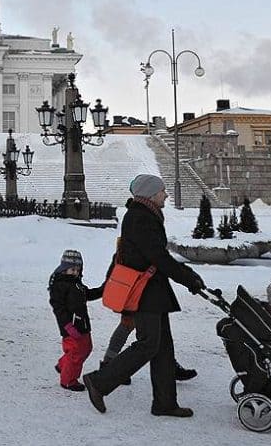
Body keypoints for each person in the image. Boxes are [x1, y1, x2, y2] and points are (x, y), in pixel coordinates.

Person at [82, 174, 205, 417]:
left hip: (153, 291)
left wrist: (187, 276)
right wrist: (188, 277)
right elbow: (157, 257)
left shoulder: (145, 215)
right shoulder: (140, 218)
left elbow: (156, 256)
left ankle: (164, 402)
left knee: (163, 348)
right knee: (149, 344)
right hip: (145, 292)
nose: (166, 195)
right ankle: (99, 382)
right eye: (162, 191)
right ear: (150, 194)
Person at [49, 250, 102, 391]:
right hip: (70, 327)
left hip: (82, 324)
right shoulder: (59, 286)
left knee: (86, 348)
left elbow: (87, 294)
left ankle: (63, 365)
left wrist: (103, 290)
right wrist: (67, 326)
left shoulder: (76, 284)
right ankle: (68, 380)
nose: (75, 272)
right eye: (72, 269)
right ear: (64, 269)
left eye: (77, 270)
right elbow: (58, 309)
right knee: (76, 353)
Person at [101, 311, 197, 383]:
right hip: (139, 291)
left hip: (146, 292)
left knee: (155, 327)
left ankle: (169, 366)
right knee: (129, 324)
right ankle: (108, 366)